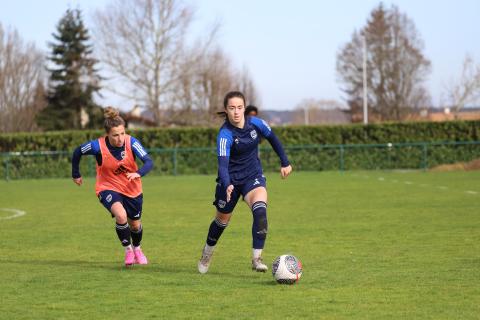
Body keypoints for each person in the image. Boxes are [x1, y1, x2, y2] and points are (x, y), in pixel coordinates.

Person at [198, 91, 292, 274]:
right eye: (232, 108)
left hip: (252, 176)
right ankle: (207, 252)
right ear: (226, 110)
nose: (236, 112)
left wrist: (285, 161)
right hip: (230, 182)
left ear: (244, 108)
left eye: (239, 107)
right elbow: (223, 166)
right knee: (221, 222)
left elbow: (273, 139)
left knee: (261, 212)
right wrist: (227, 184)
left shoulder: (256, 123)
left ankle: (257, 259)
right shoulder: (224, 135)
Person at [71, 107, 154, 267]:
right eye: (115, 135)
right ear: (107, 134)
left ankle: (137, 248)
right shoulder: (97, 146)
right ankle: (128, 250)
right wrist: (76, 174)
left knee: (135, 224)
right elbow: (77, 152)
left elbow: (149, 162)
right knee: (121, 216)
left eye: (122, 133)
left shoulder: (132, 142)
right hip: (107, 187)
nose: (120, 138)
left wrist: (138, 173)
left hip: (132, 189)